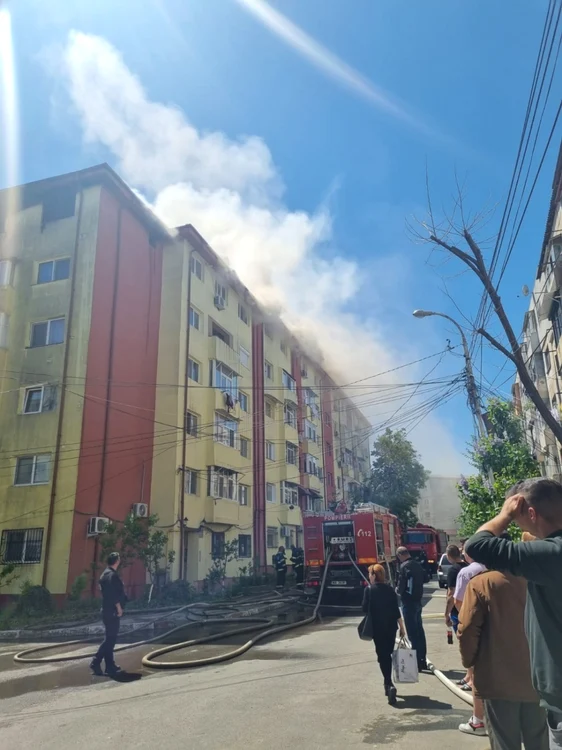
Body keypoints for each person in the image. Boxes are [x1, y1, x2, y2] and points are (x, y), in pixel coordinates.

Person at [465, 478, 562, 750]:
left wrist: (503, 515)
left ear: (530, 513)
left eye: (518, 517)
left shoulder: (552, 553)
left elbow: (477, 545)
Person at [458, 567, 548, 748]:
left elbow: (467, 629)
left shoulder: (481, 583)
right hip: (538, 678)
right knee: (539, 740)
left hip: (497, 679)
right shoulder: (538, 578)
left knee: (504, 741)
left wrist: (470, 662)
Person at [362, 563, 406, 705]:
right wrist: (402, 627)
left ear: (374, 575)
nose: (369, 576)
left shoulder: (369, 590)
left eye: (370, 574)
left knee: (382, 656)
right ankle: (388, 684)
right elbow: (396, 609)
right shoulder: (390, 590)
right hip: (391, 627)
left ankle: (388, 683)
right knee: (388, 652)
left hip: (377, 628)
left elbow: (364, 609)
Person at [453, 551, 487, 699]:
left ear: (468, 555)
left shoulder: (465, 572)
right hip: (489, 618)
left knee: (471, 650)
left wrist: (464, 616)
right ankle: (469, 677)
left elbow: (458, 600)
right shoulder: (489, 569)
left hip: (471, 617)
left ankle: (473, 681)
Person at [90, 552, 128, 677]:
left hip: (106, 610)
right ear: (117, 561)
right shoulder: (111, 575)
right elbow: (112, 594)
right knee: (110, 639)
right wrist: (118, 607)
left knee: (110, 639)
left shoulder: (104, 574)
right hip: (112, 611)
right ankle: (96, 662)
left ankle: (109, 666)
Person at [395, 546, 428, 671]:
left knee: (412, 633)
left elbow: (401, 585)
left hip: (408, 602)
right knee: (420, 631)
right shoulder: (417, 564)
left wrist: (397, 591)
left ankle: (416, 663)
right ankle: (422, 659)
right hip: (418, 601)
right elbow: (426, 578)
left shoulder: (404, 567)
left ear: (400, 555)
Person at [444, 544, 467, 635]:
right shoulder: (468, 567)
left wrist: (446, 614)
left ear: (448, 556)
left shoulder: (453, 570)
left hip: (457, 611)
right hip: (470, 607)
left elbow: (451, 594)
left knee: (461, 638)